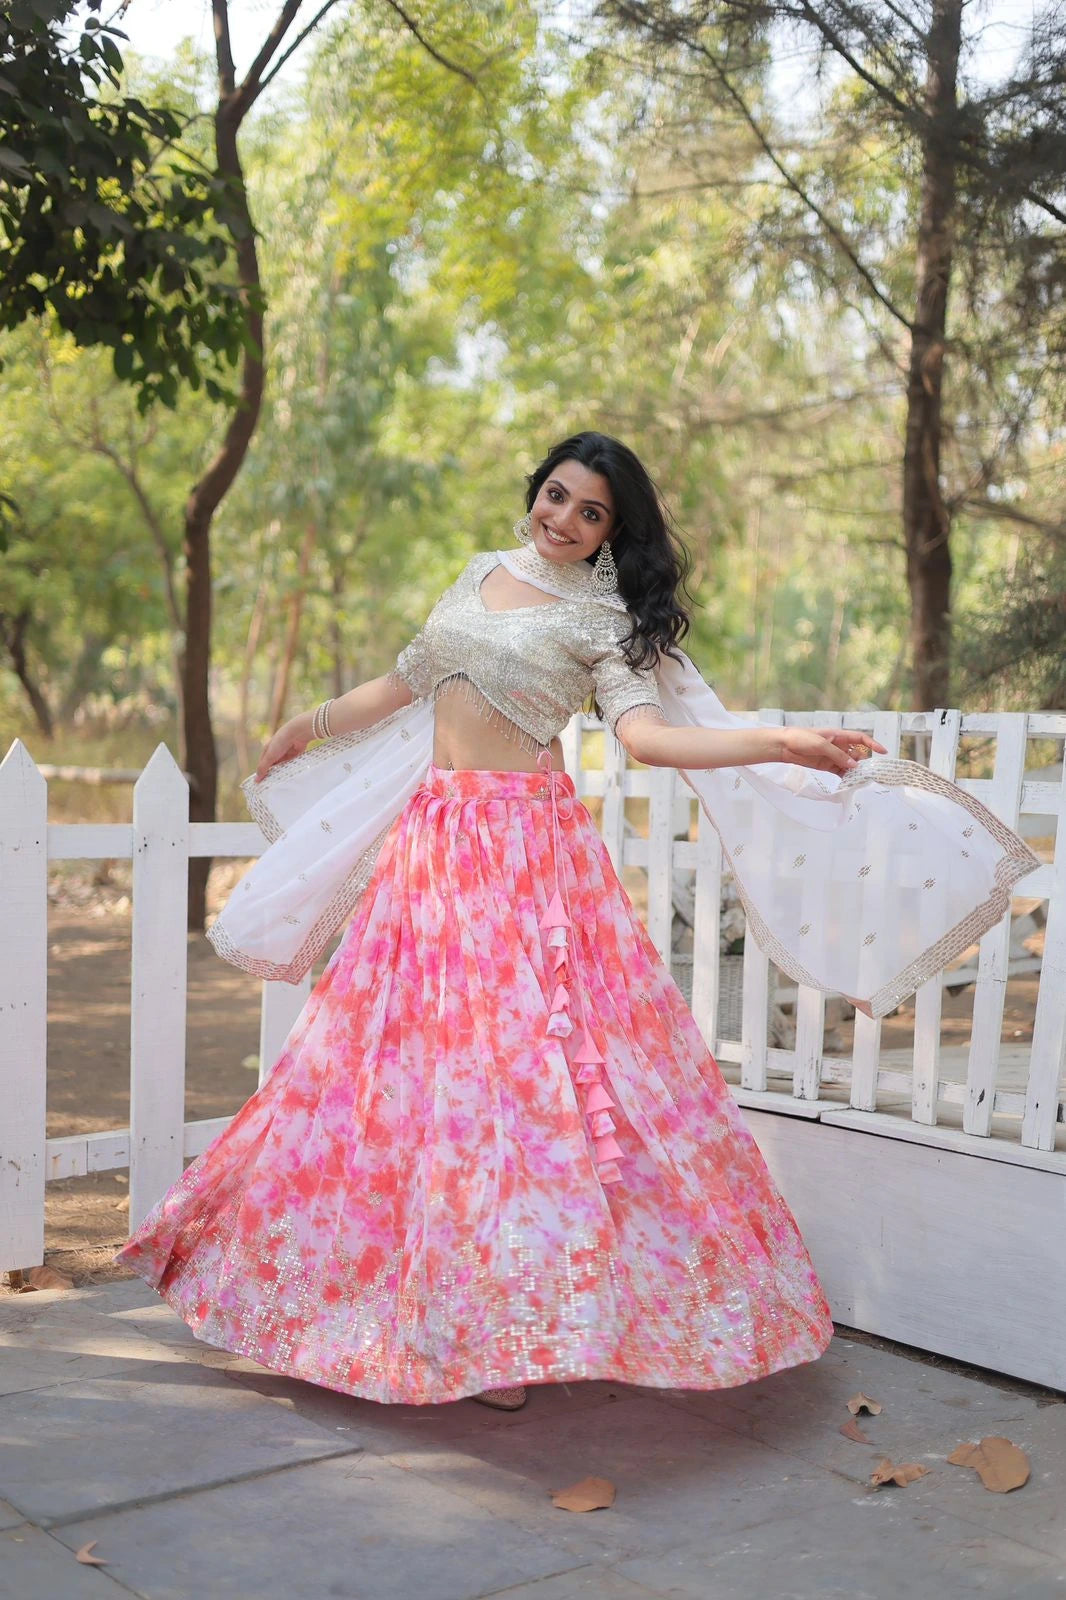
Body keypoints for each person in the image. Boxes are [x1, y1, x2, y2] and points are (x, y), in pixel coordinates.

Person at [115, 431, 1037, 1412]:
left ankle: (505, 1337)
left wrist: (781, 739)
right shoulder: (475, 581)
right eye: (555, 495)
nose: (561, 519)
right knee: (403, 1077)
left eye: (588, 511)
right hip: (433, 854)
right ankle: (415, 1310)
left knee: (516, 1092)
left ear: (610, 533)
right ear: (536, 491)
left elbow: (645, 737)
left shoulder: (601, 618)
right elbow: (403, 685)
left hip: (527, 864)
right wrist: (306, 726)